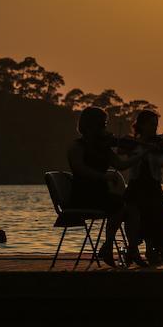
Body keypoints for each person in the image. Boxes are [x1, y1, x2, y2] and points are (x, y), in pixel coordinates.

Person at [66, 107, 145, 267]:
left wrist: (140, 155)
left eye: (105, 124)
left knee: (133, 210)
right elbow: (80, 168)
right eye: (102, 124)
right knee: (119, 206)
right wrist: (103, 176)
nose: (105, 128)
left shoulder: (103, 147)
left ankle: (130, 249)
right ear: (91, 125)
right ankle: (108, 247)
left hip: (101, 194)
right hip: (83, 195)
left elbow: (121, 165)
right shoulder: (77, 146)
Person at [122, 110, 163, 264]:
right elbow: (123, 154)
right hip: (137, 187)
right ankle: (138, 249)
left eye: (156, 125)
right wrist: (142, 148)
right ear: (141, 125)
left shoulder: (158, 145)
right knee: (143, 213)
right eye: (151, 124)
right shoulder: (133, 143)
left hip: (154, 187)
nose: (155, 128)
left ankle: (155, 248)